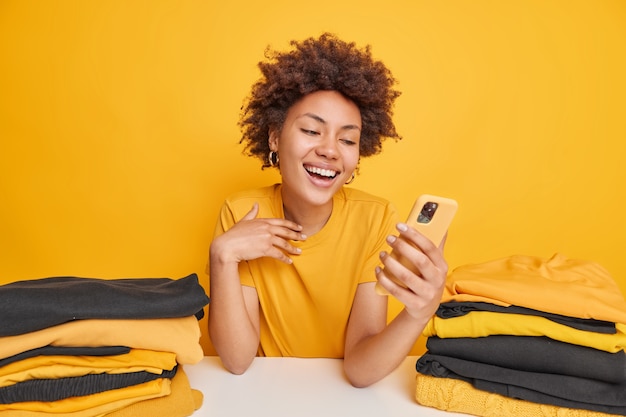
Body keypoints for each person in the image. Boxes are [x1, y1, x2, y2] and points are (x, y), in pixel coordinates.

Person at [207, 33, 449, 388]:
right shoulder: (244, 212)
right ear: (274, 137)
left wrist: (419, 313)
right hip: (263, 394)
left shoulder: (375, 218)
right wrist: (222, 256)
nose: (330, 150)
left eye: (347, 140)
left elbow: (359, 371)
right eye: (311, 130)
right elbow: (237, 360)